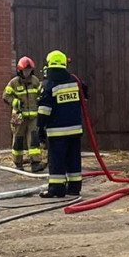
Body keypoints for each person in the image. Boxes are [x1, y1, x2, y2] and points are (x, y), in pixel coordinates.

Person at [35, 50, 83, 198]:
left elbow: (44, 109)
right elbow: (85, 93)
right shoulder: (74, 81)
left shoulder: (48, 84)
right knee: (73, 158)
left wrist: (40, 127)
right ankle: (74, 187)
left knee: (56, 159)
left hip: (57, 131)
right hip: (75, 130)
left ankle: (56, 188)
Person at [3, 56, 45, 172]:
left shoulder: (35, 81)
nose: (27, 73)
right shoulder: (14, 83)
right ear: (20, 71)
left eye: (29, 70)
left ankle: (35, 163)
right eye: (25, 71)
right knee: (18, 139)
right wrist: (15, 102)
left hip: (33, 116)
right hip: (18, 115)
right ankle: (18, 163)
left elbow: (40, 95)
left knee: (34, 139)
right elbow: (6, 96)